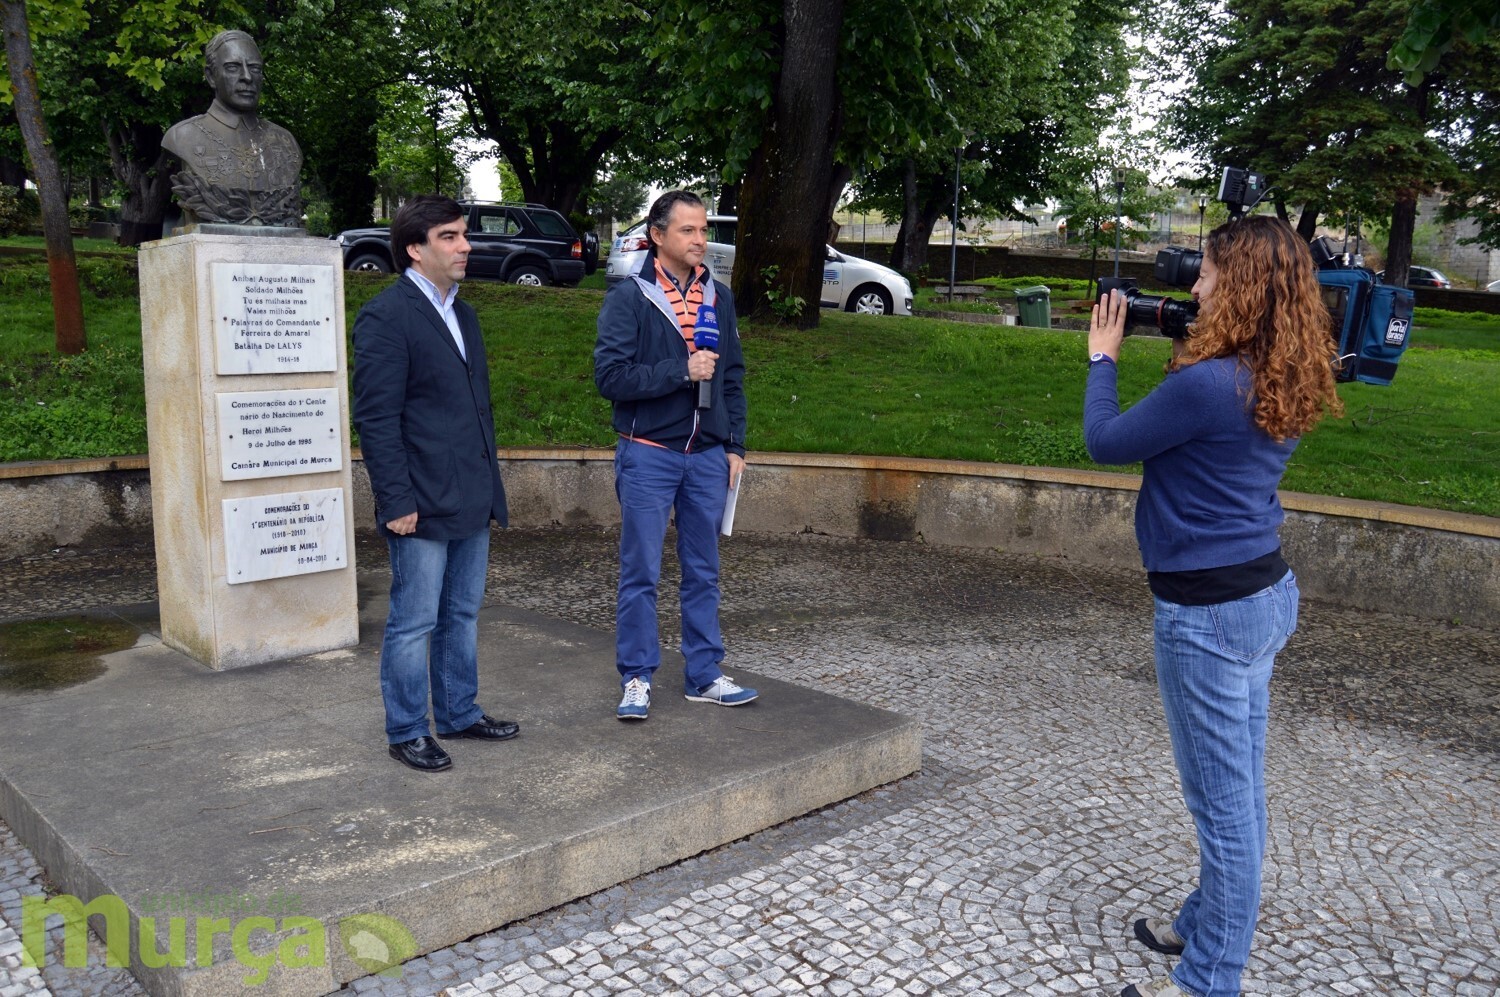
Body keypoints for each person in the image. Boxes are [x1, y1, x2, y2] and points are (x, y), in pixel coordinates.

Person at [1084, 215, 1343, 997]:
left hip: (1208, 617)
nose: (1193, 286)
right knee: (1241, 793)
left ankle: (1207, 981)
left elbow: (1106, 440)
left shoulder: (1207, 385)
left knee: (1223, 811)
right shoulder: (1283, 368)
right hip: (1262, 594)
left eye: (1204, 274)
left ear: (1240, 288)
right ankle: (1203, 923)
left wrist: (1103, 358)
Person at [352, 195, 518, 772]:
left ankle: (458, 712)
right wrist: (395, 499)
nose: (465, 246)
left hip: (470, 492)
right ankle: (406, 730)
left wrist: (490, 487)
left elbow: (474, 410)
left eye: (463, 235)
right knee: (414, 621)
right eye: (450, 236)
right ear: (415, 250)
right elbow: (377, 417)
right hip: (419, 501)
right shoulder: (387, 315)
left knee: (461, 614)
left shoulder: (463, 314)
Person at [594, 190, 752, 721]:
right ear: (658, 236)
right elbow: (610, 377)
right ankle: (636, 677)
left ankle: (704, 674)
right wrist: (680, 371)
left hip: (707, 456)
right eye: (688, 230)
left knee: (704, 572)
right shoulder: (630, 297)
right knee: (640, 571)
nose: (700, 240)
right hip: (648, 454)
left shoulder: (718, 296)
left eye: (704, 230)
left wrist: (734, 444)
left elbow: (732, 376)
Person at [161, 30, 302, 227]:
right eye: (233, 68)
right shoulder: (181, 137)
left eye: (254, 68)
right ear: (211, 76)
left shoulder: (285, 142)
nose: (247, 77)